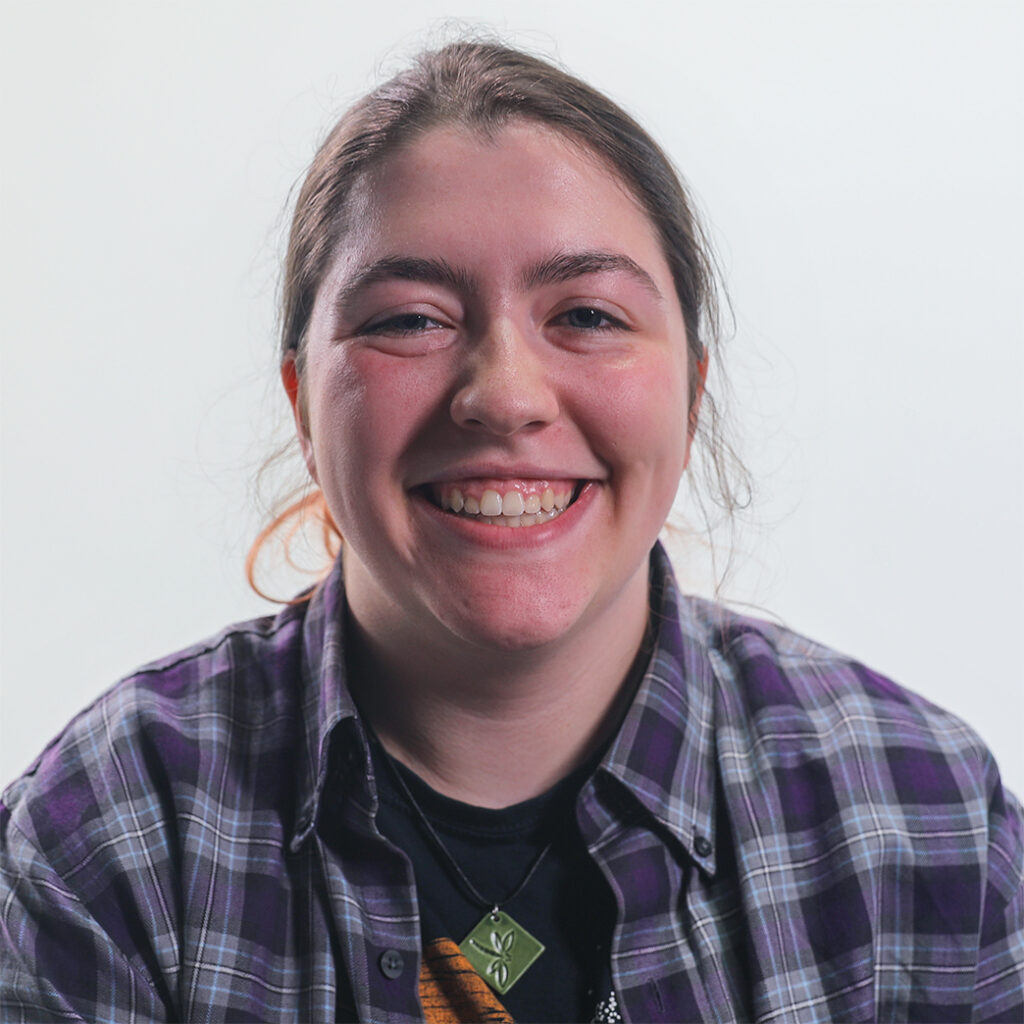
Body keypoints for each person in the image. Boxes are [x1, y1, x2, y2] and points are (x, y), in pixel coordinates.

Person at [1, 39, 1021, 1024]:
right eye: (409, 319)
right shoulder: (107, 833)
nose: (503, 395)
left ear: (692, 395)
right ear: (304, 404)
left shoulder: (924, 815)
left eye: (586, 315)